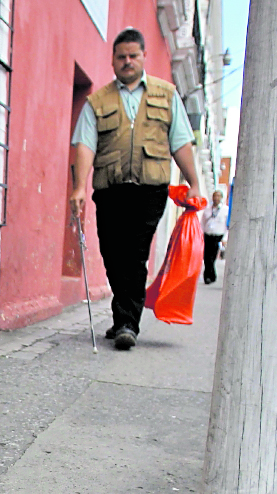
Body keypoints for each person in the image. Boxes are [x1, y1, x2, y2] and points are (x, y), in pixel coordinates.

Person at [70, 27, 203, 351]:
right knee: (112, 254)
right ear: (113, 60)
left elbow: (180, 142)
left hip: (149, 190)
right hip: (110, 189)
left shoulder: (166, 95)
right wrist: (78, 187)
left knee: (134, 254)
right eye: (121, 57)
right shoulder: (97, 101)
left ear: (143, 56)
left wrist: (195, 182)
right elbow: (85, 144)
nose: (127, 61)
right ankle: (122, 318)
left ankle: (128, 323)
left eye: (133, 55)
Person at [201, 190, 228, 284]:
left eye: (218, 196)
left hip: (218, 235)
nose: (216, 198)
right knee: (206, 257)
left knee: (212, 256)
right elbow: (203, 222)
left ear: (221, 198)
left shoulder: (225, 210)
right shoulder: (207, 209)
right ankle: (209, 276)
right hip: (208, 234)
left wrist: (225, 238)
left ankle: (210, 276)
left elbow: (227, 226)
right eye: (215, 196)